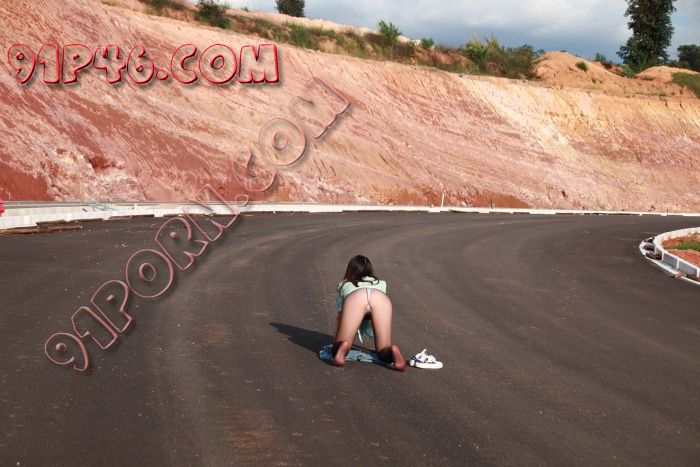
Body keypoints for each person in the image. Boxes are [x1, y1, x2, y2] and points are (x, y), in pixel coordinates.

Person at [333, 255, 406, 371]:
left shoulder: (345, 284)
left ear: (350, 270)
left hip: (356, 297)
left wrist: (336, 340)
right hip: (380, 298)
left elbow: (340, 316)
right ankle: (392, 351)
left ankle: (344, 346)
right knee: (382, 351)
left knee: (337, 348)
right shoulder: (381, 283)